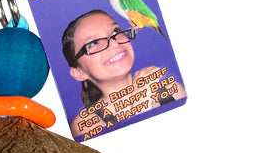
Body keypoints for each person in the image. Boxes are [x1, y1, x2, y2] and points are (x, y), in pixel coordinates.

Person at [61, 9, 183, 138]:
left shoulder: (172, 91)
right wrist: (140, 104)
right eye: (93, 43)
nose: (114, 43)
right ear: (79, 73)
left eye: (116, 31)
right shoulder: (85, 125)